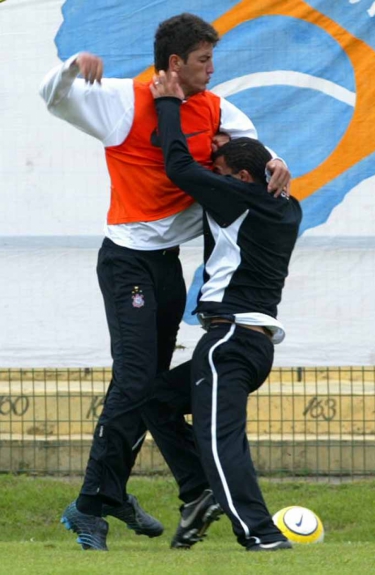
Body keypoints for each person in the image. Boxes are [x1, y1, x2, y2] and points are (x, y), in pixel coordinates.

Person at [39, 13, 291, 551]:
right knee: (134, 381)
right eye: (203, 60)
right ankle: (91, 506)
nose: (211, 69)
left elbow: (256, 150)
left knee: (147, 389)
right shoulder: (123, 99)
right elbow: (52, 97)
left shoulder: (217, 107)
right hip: (126, 261)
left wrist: (279, 161)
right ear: (174, 64)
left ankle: (132, 492)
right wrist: (69, 67)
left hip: (167, 268)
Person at [143, 69, 302, 552]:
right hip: (251, 345)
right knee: (155, 400)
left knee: (220, 440)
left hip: (228, 341)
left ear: (245, 179)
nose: (214, 179)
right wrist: (257, 152)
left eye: (223, 173)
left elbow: (179, 168)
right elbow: (248, 161)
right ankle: (200, 492)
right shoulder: (285, 204)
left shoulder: (240, 198)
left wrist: (169, 105)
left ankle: (262, 535)